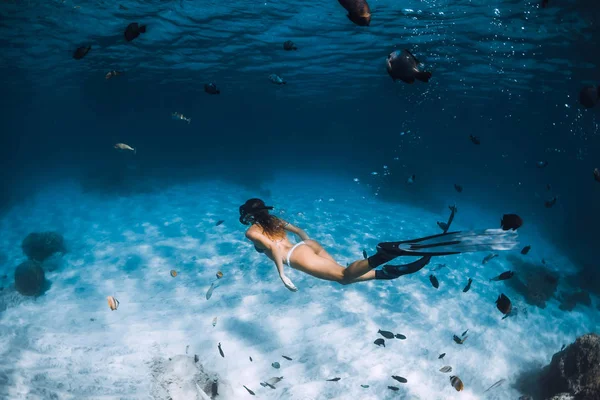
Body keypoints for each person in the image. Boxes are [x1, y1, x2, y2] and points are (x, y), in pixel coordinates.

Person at [239, 198, 518, 292]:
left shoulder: (252, 232)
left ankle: (384, 256)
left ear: (250, 215)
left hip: (293, 257)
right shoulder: (273, 219)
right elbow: (299, 230)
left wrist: (282, 273)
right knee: (346, 277)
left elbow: (275, 249)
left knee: (343, 276)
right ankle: (391, 271)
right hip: (309, 246)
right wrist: (309, 244)